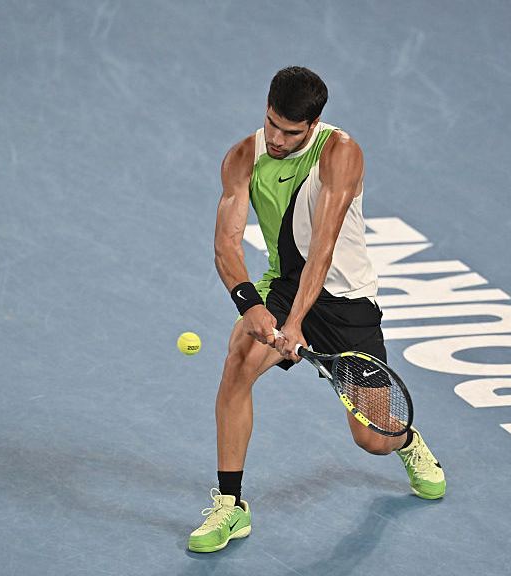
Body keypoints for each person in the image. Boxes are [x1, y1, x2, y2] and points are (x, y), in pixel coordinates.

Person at [188, 66, 446, 553]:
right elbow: (226, 244)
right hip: (286, 282)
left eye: (290, 131)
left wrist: (294, 325)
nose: (277, 138)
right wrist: (248, 304)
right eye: (271, 124)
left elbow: (323, 249)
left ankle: (407, 442)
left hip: (345, 298)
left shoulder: (340, 154)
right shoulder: (243, 158)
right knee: (237, 364)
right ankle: (230, 505)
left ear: (314, 124)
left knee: (373, 439)